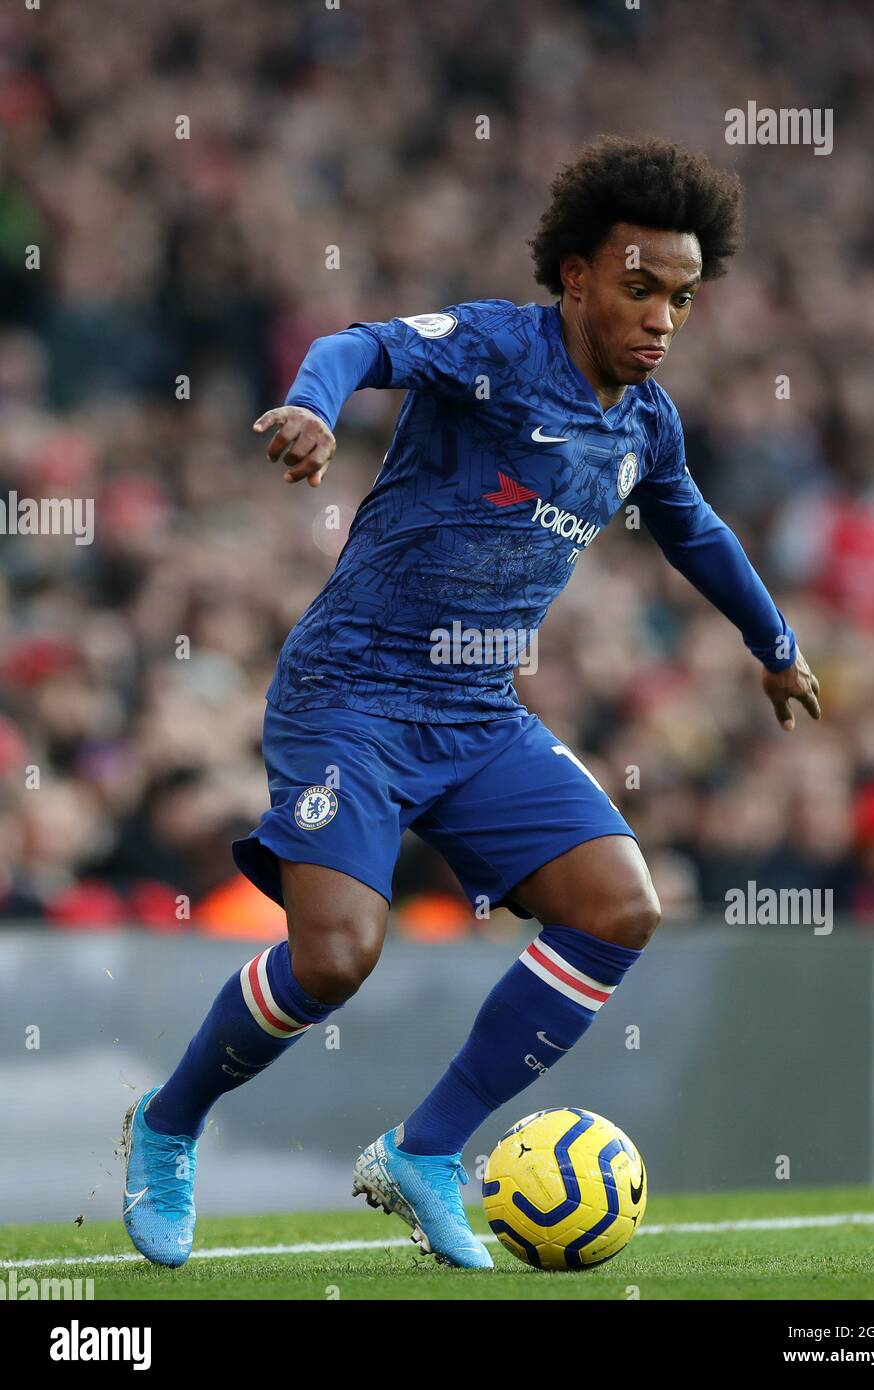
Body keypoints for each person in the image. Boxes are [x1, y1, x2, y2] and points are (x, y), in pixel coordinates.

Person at [122, 135, 820, 1269]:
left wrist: (773, 645)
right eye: (638, 289)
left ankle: (426, 1148)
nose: (659, 320)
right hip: (350, 692)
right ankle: (167, 1121)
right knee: (339, 955)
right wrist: (309, 407)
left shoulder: (645, 424)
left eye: (681, 301)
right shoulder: (497, 346)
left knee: (619, 906)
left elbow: (690, 526)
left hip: (478, 713)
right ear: (577, 274)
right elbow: (361, 343)